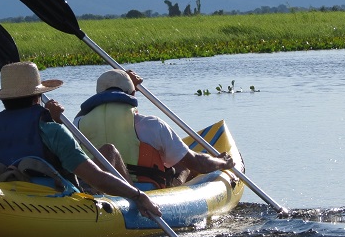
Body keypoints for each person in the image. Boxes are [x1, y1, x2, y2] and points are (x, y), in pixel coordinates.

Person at [0, 61, 161, 218]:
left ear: (4, 100)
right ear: (38, 97)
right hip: (58, 202)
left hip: (14, 200)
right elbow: (96, 178)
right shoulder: (52, 131)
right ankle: (134, 205)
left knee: (107, 151)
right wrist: (139, 195)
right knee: (109, 152)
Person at [74, 68, 234, 189]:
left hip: (95, 186)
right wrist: (222, 162)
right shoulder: (151, 125)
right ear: (132, 94)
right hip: (141, 191)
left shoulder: (77, 125)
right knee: (184, 165)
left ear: (98, 95)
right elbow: (198, 163)